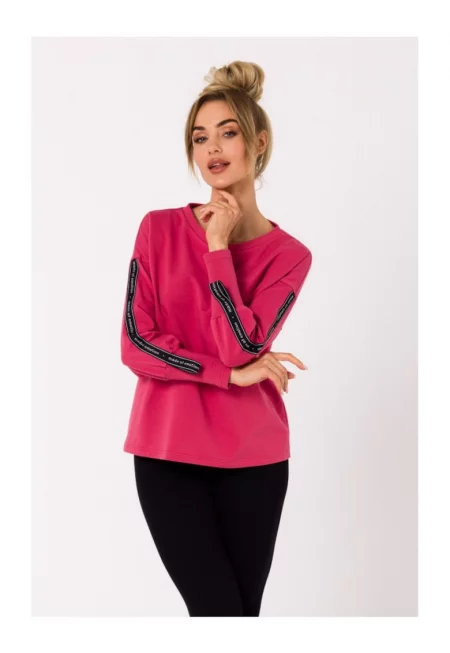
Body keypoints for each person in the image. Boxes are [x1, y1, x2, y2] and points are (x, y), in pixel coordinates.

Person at [121, 60, 313, 616]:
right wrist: (227, 376)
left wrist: (217, 248)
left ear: (259, 142)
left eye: (227, 132)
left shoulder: (290, 256)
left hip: (255, 458)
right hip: (168, 451)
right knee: (216, 613)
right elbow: (137, 344)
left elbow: (238, 344)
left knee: (241, 617)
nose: (212, 148)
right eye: (199, 137)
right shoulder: (157, 229)